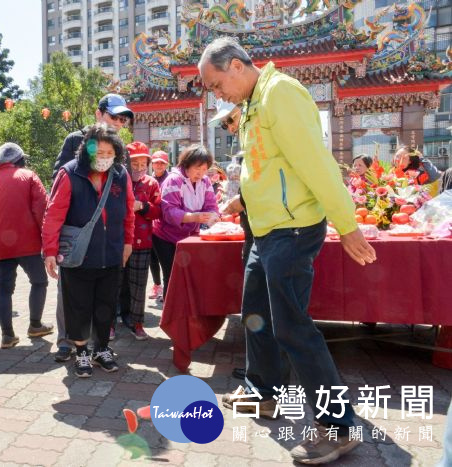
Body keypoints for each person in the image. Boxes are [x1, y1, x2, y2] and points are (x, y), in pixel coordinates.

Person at [199, 37, 376, 464]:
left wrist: (347, 224)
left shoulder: (282, 94)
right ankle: (264, 392)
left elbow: (314, 163)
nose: (216, 95)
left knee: (293, 327)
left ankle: (339, 426)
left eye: (216, 84)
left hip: (293, 231)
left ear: (237, 67)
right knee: (255, 312)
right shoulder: (253, 105)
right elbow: (267, 166)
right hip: (266, 230)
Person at [42, 123, 134, 378]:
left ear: (116, 153)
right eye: (98, 152)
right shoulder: (70, 173)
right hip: (78, 256)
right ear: (87, 151)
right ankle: (81, 350)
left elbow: (128, 211)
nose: (104, 158)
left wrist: (128, 242)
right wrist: (49, 250)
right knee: (78, 305)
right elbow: (53, 214)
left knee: (106, 304)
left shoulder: (120, 174)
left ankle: (101, 348)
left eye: (109, 153)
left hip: (111, 252)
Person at [0, 143, 53, 348]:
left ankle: (7, 336)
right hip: (28, 241)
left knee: (4, 289)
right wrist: (46, 239)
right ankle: (35, 325)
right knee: (39, 282)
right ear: (19, 160)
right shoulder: (28, 176)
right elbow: (42, 210)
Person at [152, 145, 219, 300]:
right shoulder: (173, 180)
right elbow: (169, 212)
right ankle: (170, 315)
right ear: (186, 164)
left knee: (189, 272)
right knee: (172, 274)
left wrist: (214, 217)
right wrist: (195, 217)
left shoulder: (206, 181)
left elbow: (211, 205)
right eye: (198, 169)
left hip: (189, 236)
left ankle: (186, 309)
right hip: (165, 236)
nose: (201, 174)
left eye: (204, 170)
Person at [118, 142, 161, 341]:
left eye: (143, 163)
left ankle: (137, 323)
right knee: (114, 284)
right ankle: (110, 323)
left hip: (142, 243)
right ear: (126, 162)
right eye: (134, 163)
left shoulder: (152, 183)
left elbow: (159, 211)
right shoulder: (117, 180)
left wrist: (142, 206)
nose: (139, 167)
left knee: (138, 285)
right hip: (117, 242)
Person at [148, 150, 170, 303]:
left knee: (165, 260)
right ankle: (157, 285)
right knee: (152, 259)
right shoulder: (149, 180)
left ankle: (167, 288)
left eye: (162, 162)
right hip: (151, 226)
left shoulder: (171, 179)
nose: (159, 165)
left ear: (166, 164)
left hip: (166, 227)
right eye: (156, 162)